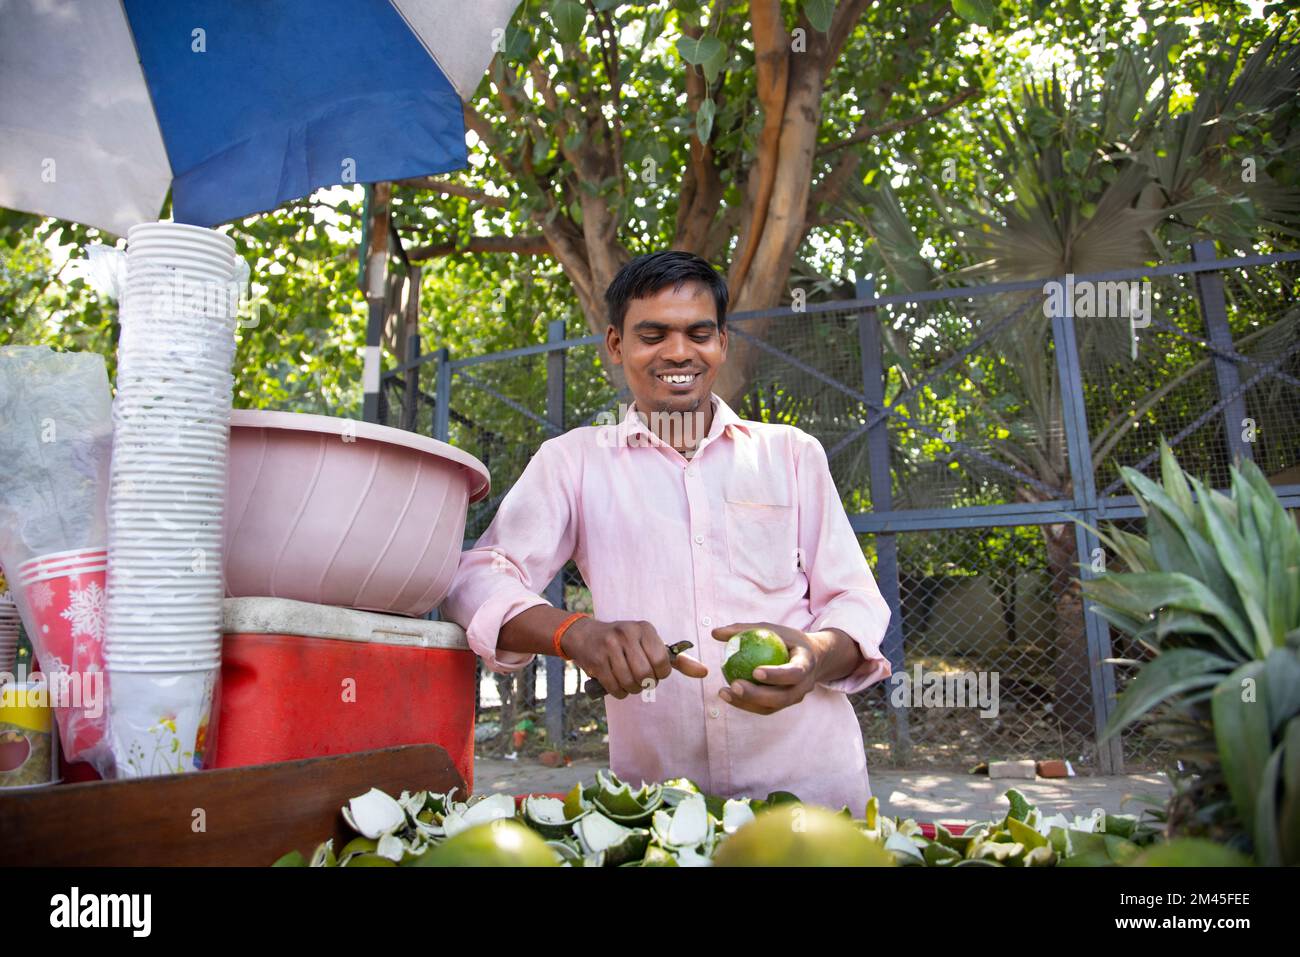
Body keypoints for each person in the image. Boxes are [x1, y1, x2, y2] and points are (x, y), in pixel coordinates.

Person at [441, 250, 892, 813]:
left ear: (722, 343)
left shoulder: (791, 454)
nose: (678, 352)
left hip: (815, 795)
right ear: (615, 345)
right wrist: (576, 634)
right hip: (658, 809)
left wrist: (816, 655)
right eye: (652, 334)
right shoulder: (574, 462)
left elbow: (853, 599)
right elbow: (476, 577)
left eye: (698, 333)